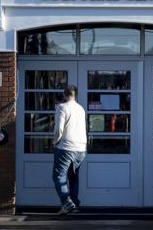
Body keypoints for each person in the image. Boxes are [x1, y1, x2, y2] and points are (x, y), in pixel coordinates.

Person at [52, 85, 87, 215]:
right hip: (80, 148)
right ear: (75, 95)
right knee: (73, 177)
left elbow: (59, 129)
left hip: (66, 147)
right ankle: (74, 204)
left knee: (58, 176)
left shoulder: (62, 107)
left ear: (64, 94)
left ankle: (67, 202)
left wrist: (54, 141)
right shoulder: (81, 109)